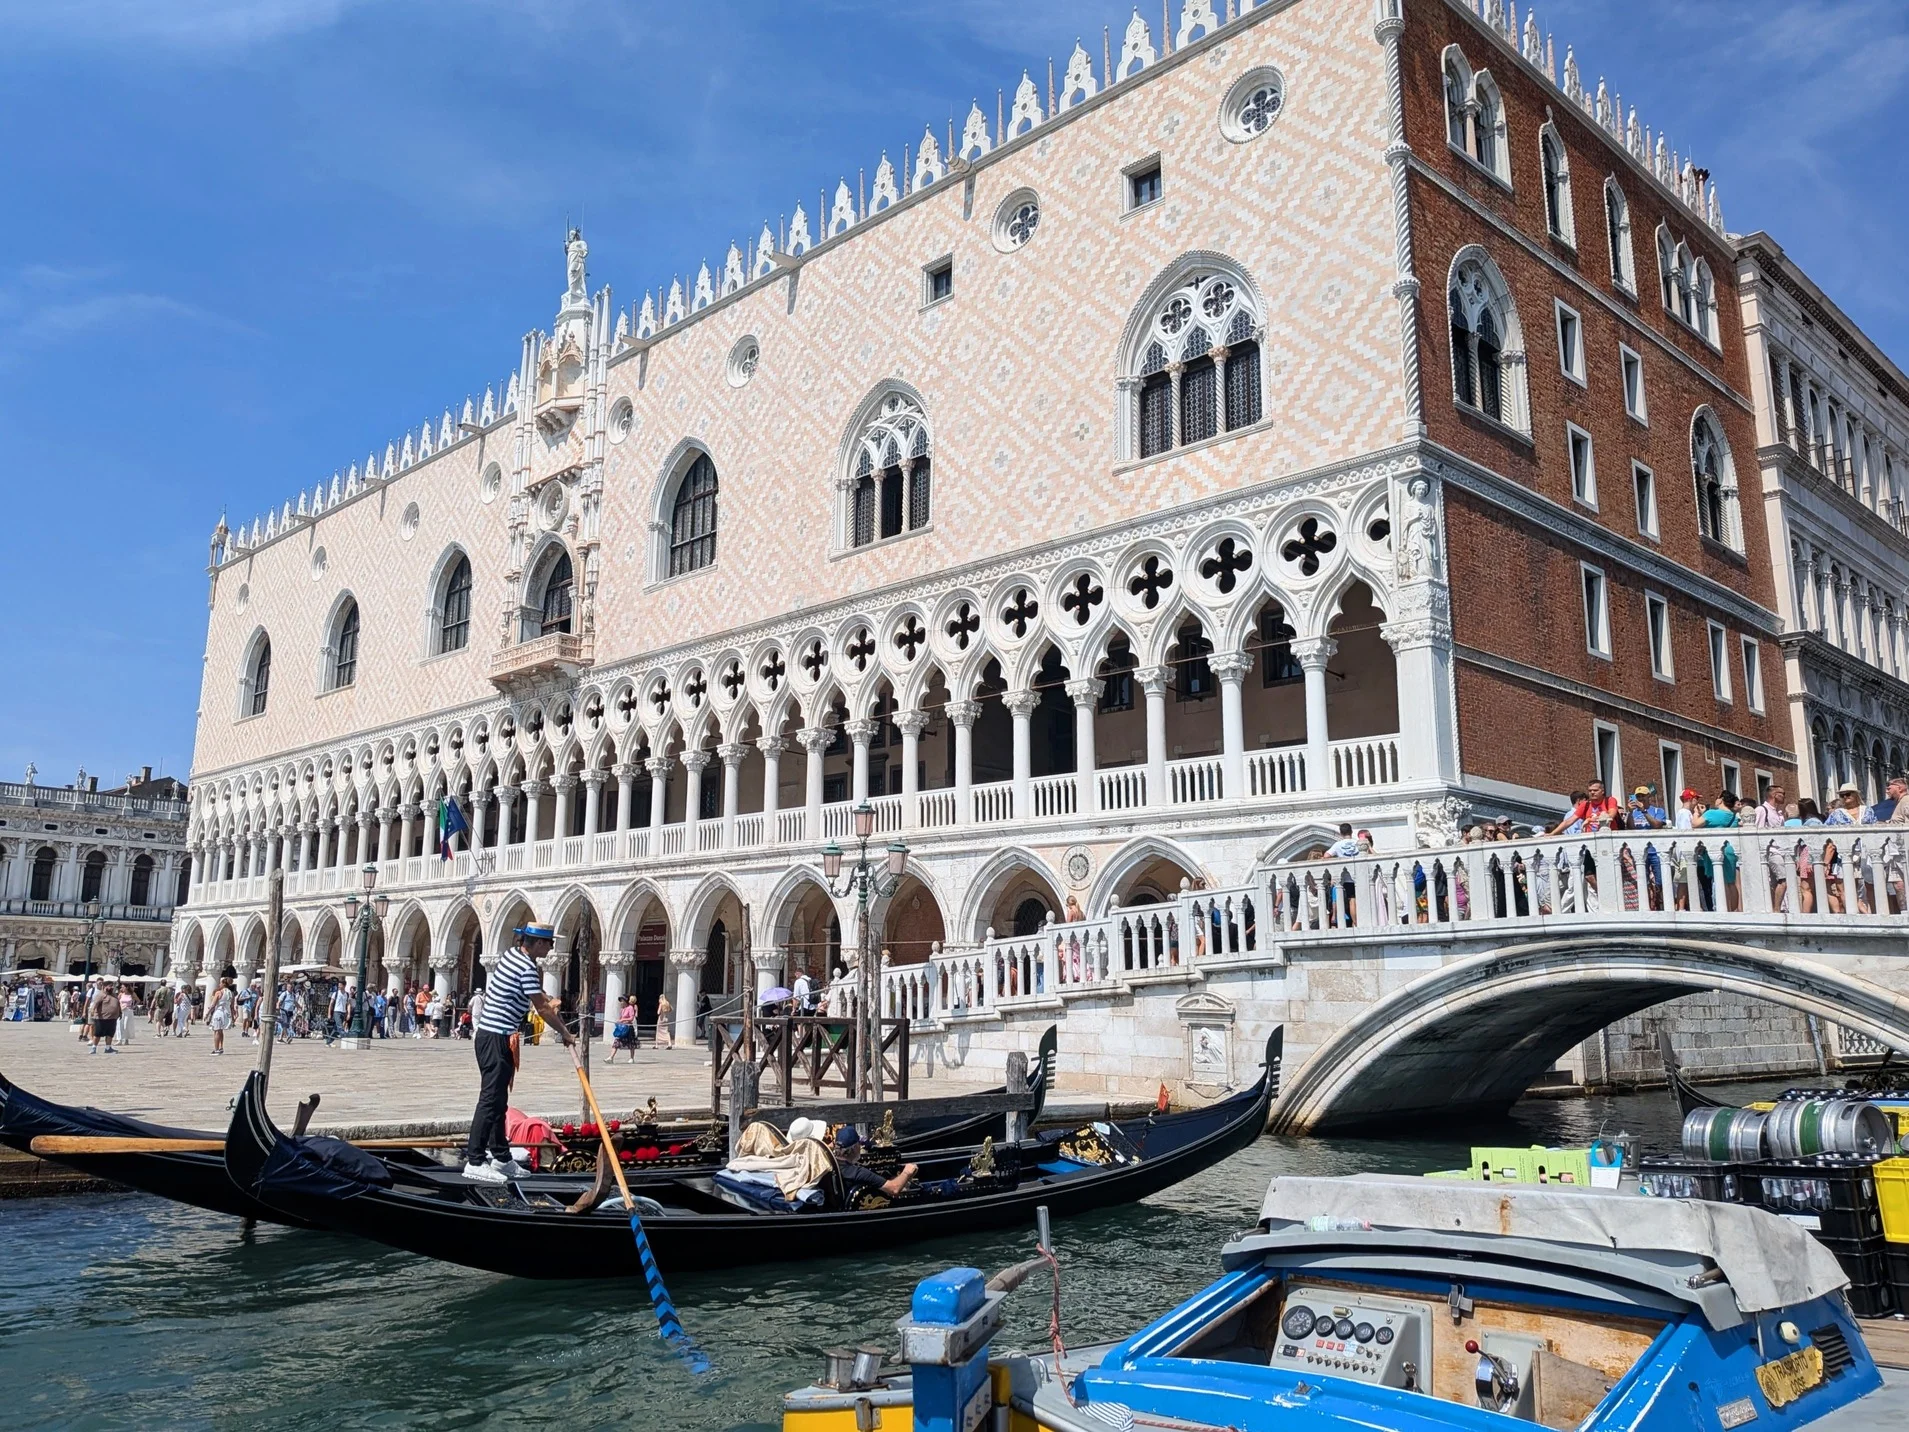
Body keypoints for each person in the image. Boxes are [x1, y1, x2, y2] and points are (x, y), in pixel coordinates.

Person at [464, 923, 572, 1184]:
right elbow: (542, 1009)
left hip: (494, 1037)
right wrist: (565, 1034)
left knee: (499, 1102)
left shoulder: (512, 956)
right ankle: (475, 1160)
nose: (551, 948)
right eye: (549, 944)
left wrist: (546, 999)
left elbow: (535, 996)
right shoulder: (526, 967)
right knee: (490, 1101)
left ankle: (501, 1157)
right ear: (536, 943)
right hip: (496, 1038)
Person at [830, 1125, 918, 1206]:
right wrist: (907, 1172)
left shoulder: (831, 1165)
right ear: (854, 1148)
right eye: (859, 1144)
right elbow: (894, 1189)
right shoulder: (858, 1173)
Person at [86, 980, 120, 1054]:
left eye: (112, 986)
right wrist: (92, 1013)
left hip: (112, 1018)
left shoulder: (114, 995)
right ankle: (94, 1048)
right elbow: (95, 1005)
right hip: (101, 1018)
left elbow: (118, 1005)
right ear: (104, 987)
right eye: (110, 986)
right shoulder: (101, 995)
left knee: (110, 1034)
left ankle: (108, 1048)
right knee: (98, 1034)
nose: (112, 987)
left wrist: (120, 1013)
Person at [206, 976, 236, 1055]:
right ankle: (221, 1047)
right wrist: (233, 1017)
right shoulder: (231, 993)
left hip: (219, 1012)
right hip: (226, 1013)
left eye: (220, 983)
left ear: (223, 983)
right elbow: (232, 1007)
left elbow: (213, 1005)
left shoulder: (219, 992)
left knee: (216, 1031)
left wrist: (207, 1014)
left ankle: (216, 1049)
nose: (219, 984)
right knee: (221, 1031)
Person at [610, 996, 640, 1062]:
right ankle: (611, 1057)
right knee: (616, 1041)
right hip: (622, 1028)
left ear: (625, 1001)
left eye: (622, 1001)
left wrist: (623, 1019)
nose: (621, 1002)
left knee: (631, 1043)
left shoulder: (630, 1008)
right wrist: (619, 1021)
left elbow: (631, 1018)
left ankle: (632, 1058)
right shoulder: (622, 1009)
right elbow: (621, 1018)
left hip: (629, 1028)